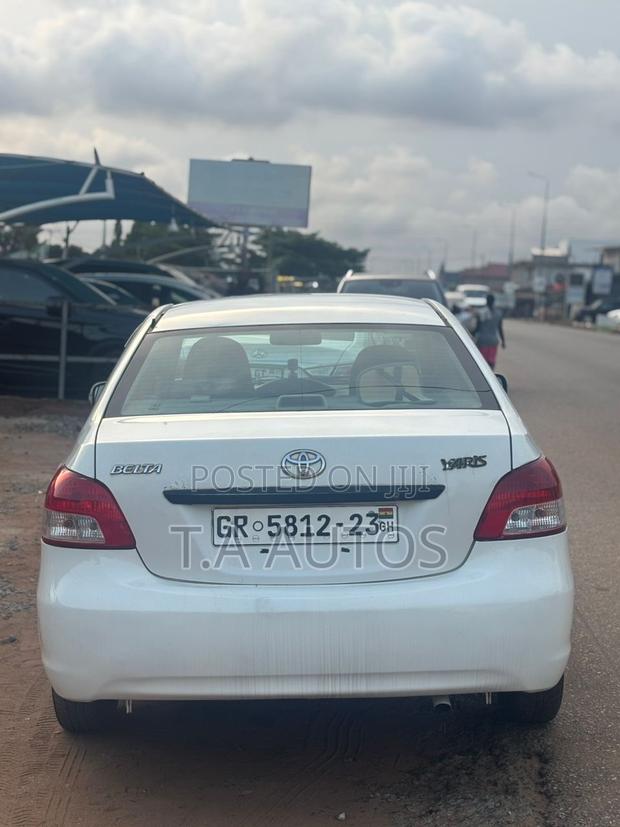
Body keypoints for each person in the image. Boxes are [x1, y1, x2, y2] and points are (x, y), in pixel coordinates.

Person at [474, 293, 505, 369]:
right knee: (491, 361)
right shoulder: (498, 313)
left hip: (482, 340)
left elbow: (478, 328)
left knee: (482, 362)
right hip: (493, 341)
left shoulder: (481, 312)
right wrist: (503, 341)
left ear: (486, 301)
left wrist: (471, 335)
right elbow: (500, 328)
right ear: (494, 301)